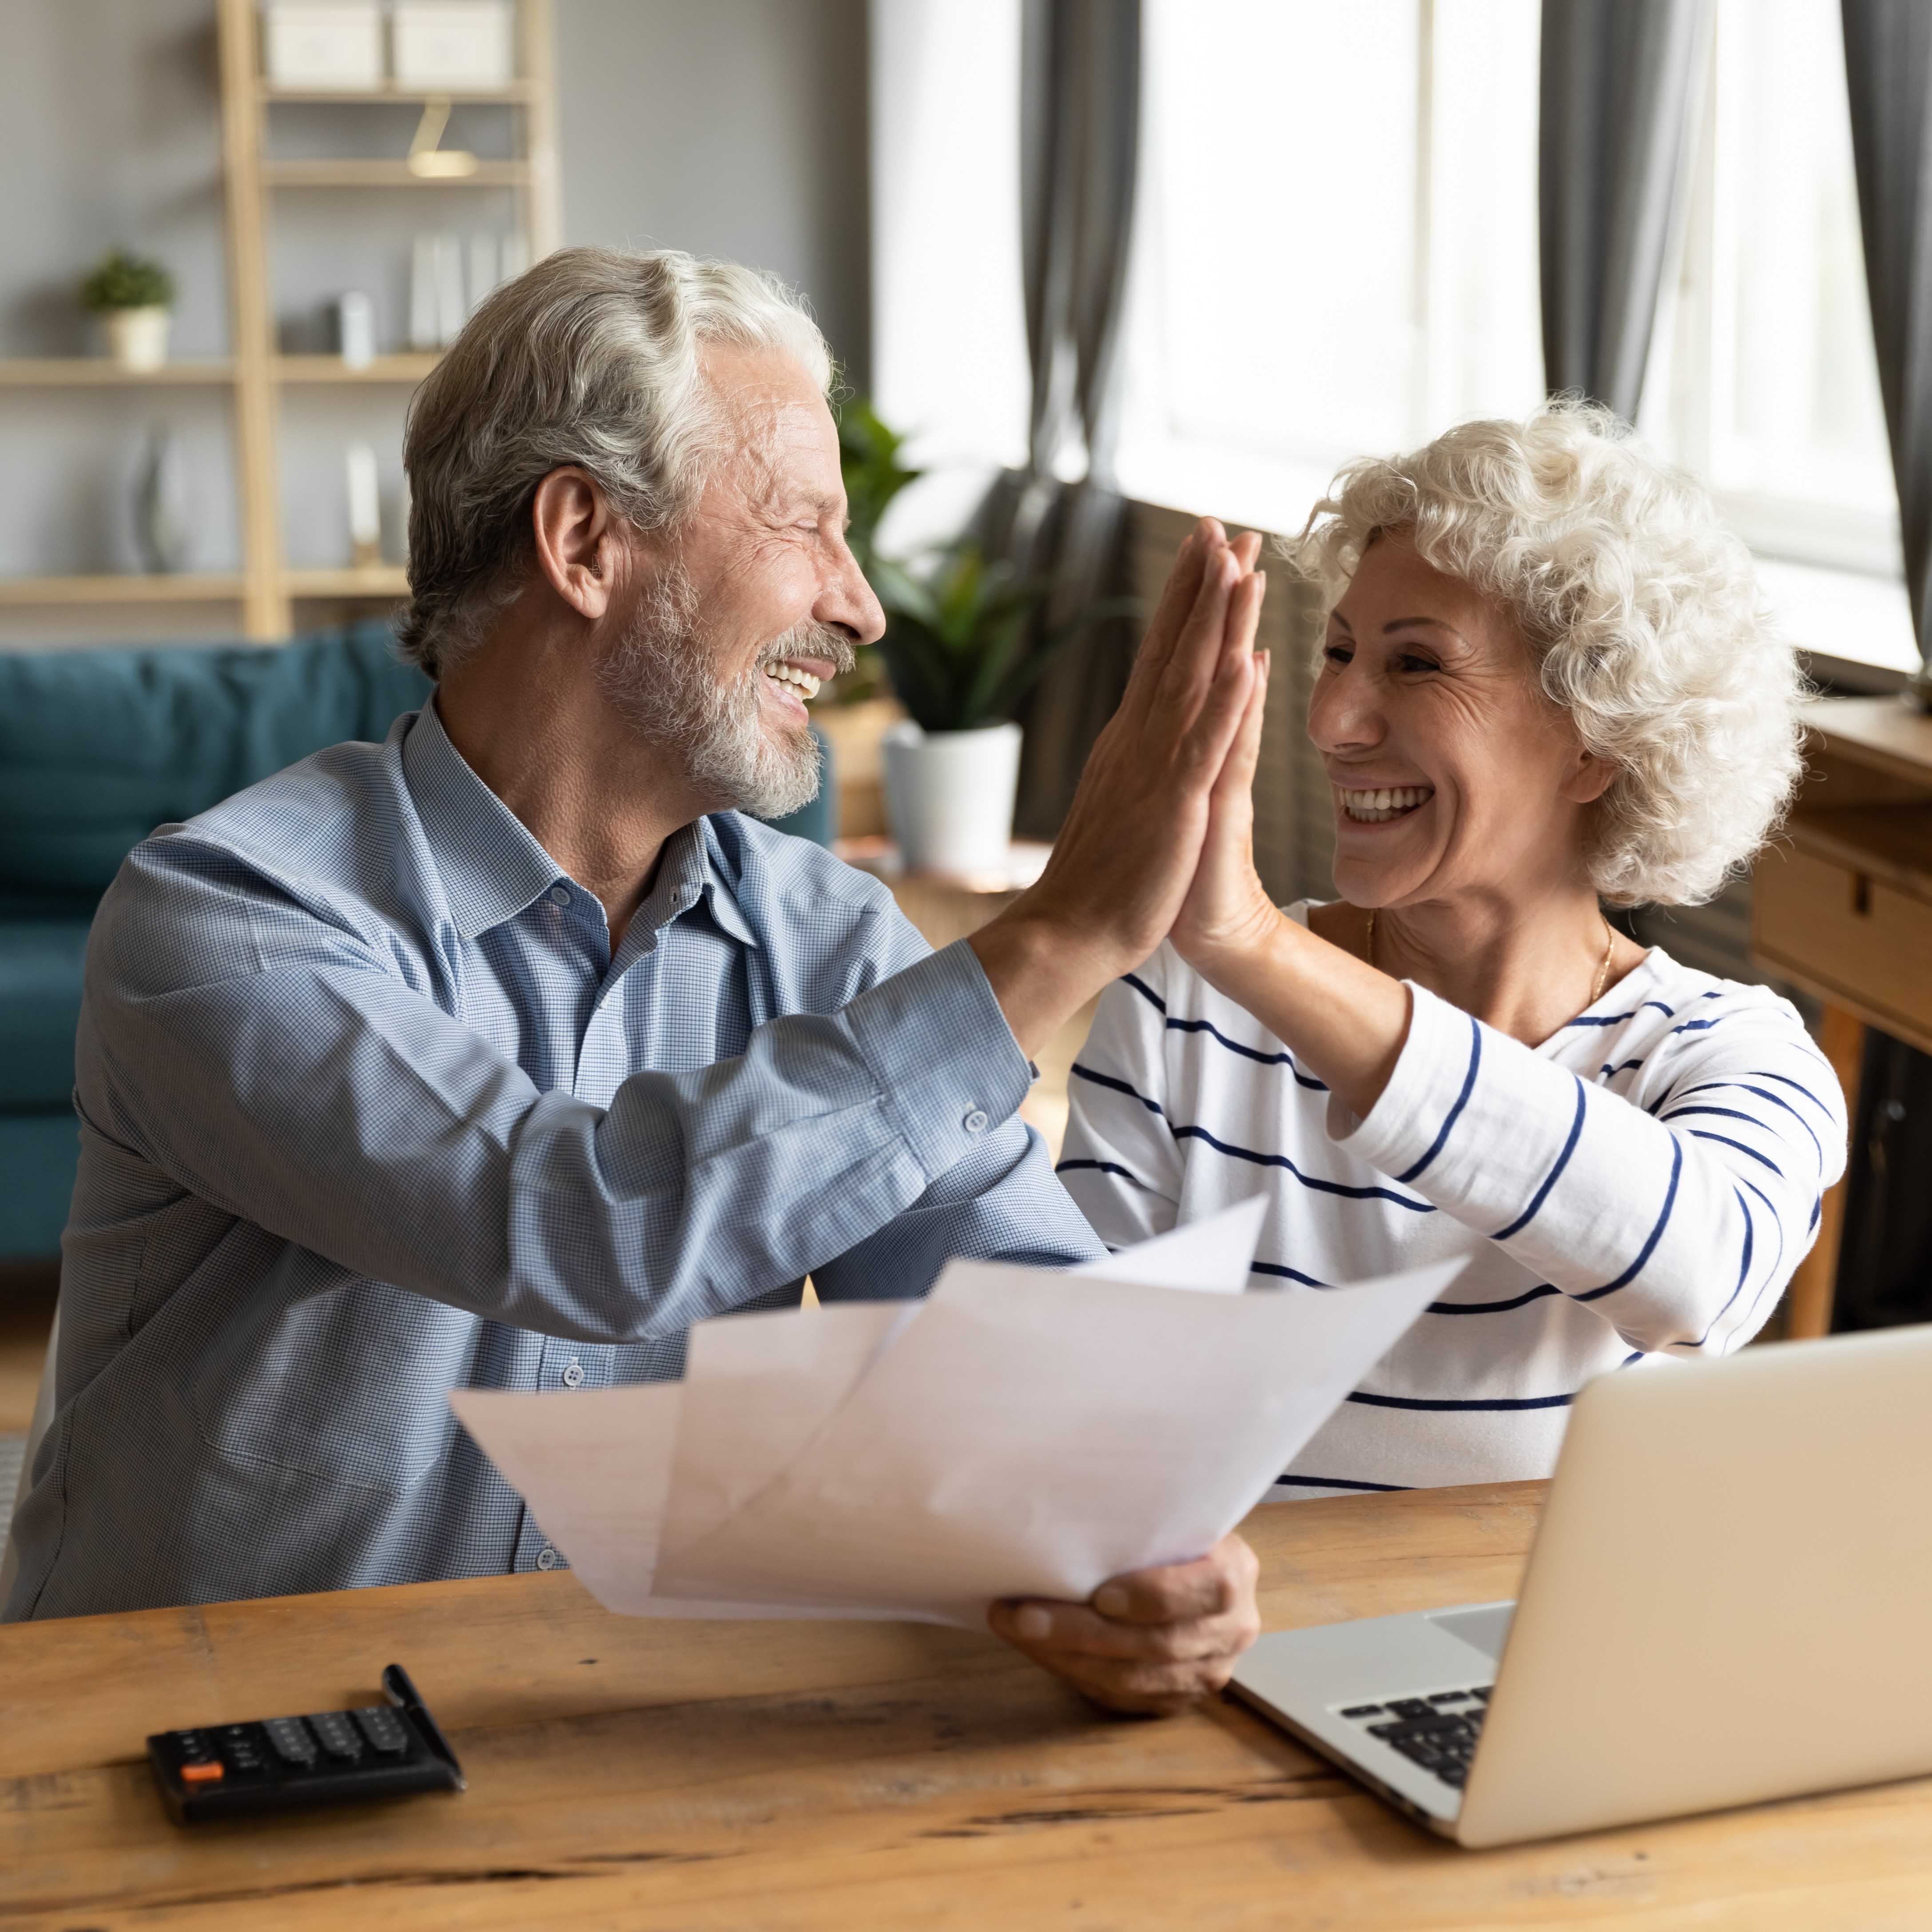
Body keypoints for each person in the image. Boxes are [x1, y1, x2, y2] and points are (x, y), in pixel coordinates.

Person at [5, 247, 1262, 1714]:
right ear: (585, 541)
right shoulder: (227, 917)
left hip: (594, 1735)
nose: (860, 611)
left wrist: (1137, 1532)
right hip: (189, 1757)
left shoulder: (829, 943)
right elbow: (571, 1223)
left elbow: (1010, 1321)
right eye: (808, 527)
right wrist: (1055, 940)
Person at [1059, 405, 1849, 1499]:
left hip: (1555, 1656)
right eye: (1337, 652)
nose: (1333, 718)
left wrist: (1255, 947)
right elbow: (1074, 1399)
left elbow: (1699, 1277)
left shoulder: (1729, 1054)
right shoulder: (1189, 1001)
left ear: (1597, 744)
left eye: (1417, 665)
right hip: (1232, 1642)